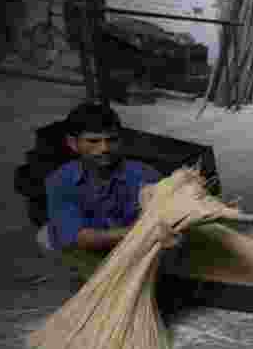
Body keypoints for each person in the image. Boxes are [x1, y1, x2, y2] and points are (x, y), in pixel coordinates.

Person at [37, 102, 183, 262]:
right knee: (47, 238)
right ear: (73, 143)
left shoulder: (146, 175)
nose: (104, 148)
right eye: (93, 141)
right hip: (93, 243)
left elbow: (167, 220)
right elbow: (80, 238)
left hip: (132, 247)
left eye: (111, 140)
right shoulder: (60, 180)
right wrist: (144, 231)